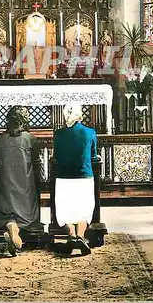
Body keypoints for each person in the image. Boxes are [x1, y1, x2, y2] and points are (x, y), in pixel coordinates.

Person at [0, 106, 42, 256]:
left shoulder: (0, 138)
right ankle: (18, 227)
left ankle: (11, 226)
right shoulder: (30, 138)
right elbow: (36, 160)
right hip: (24, 184)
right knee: (28, 213)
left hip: (6, 184)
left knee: (4, 212)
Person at [53, 102, 98, 255]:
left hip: (64, 178)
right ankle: (80, 236)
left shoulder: (58, 134)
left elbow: (57, 156)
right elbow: (93, 156)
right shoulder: (90, 132)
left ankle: (72, 236)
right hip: (84, 176)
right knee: (84, 210)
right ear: (80, 115)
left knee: (65, 211)